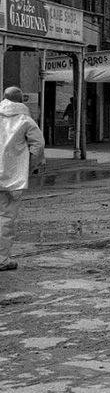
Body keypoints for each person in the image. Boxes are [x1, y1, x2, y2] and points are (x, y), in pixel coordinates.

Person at [0, 87, 45, 271]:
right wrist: (28, 167)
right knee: (5, 218)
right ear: (21, 101)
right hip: (12, 178)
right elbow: (38, 146)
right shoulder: (25, 120)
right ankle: (2, 259)